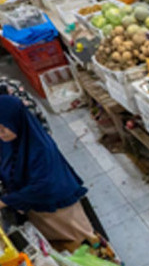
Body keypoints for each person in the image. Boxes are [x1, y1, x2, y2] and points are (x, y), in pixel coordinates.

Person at [0, 95, 96, 252]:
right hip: (37, 208)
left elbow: (44, 186)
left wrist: (5, 202)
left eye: (3, 128)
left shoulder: (41, 148)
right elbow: (7, 165)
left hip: (60, 210)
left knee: (84, 246)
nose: (1, 133)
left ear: (16, 122)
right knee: (63, 250)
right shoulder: (9, 142)